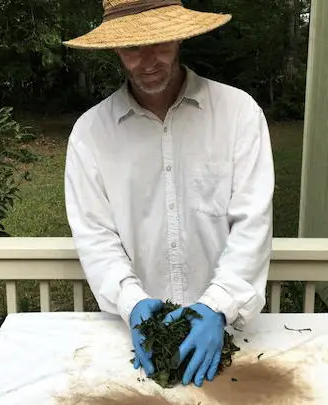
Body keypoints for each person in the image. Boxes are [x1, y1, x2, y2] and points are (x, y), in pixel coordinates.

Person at [63, 0, 274, 388]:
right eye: (132, 48)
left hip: (229, 335)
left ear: (179, 37)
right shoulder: (90, 134)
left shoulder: (239, 114)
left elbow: (253, 222)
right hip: (137, 340)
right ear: (115, 50)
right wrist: (132, 303)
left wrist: (217, 307)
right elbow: (95, 237)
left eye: (159, 42)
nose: (148, 61)